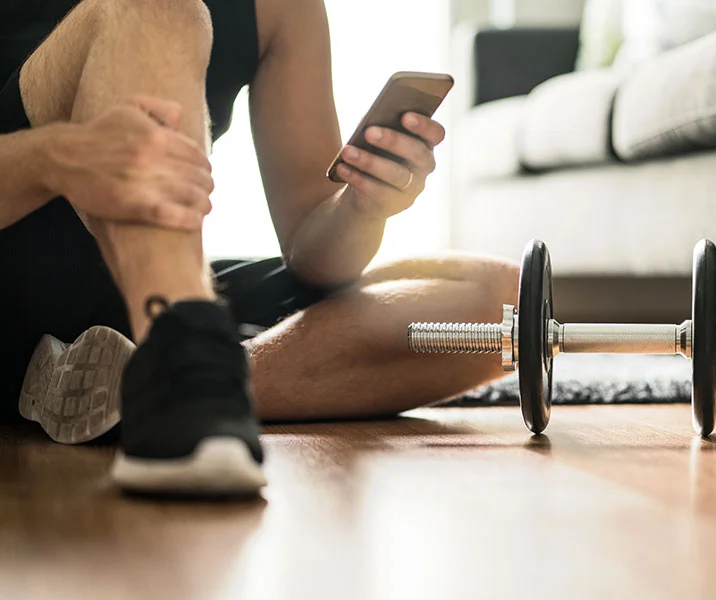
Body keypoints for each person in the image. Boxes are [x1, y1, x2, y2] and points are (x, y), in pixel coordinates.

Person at [0, 0, 518, 496]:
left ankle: (161, 382)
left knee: (504, 306)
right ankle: (183, 374)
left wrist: (362, 206)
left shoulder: (282, 7)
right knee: (154, 7)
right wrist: (55, 156)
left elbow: (314, 257)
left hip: (129, 307)